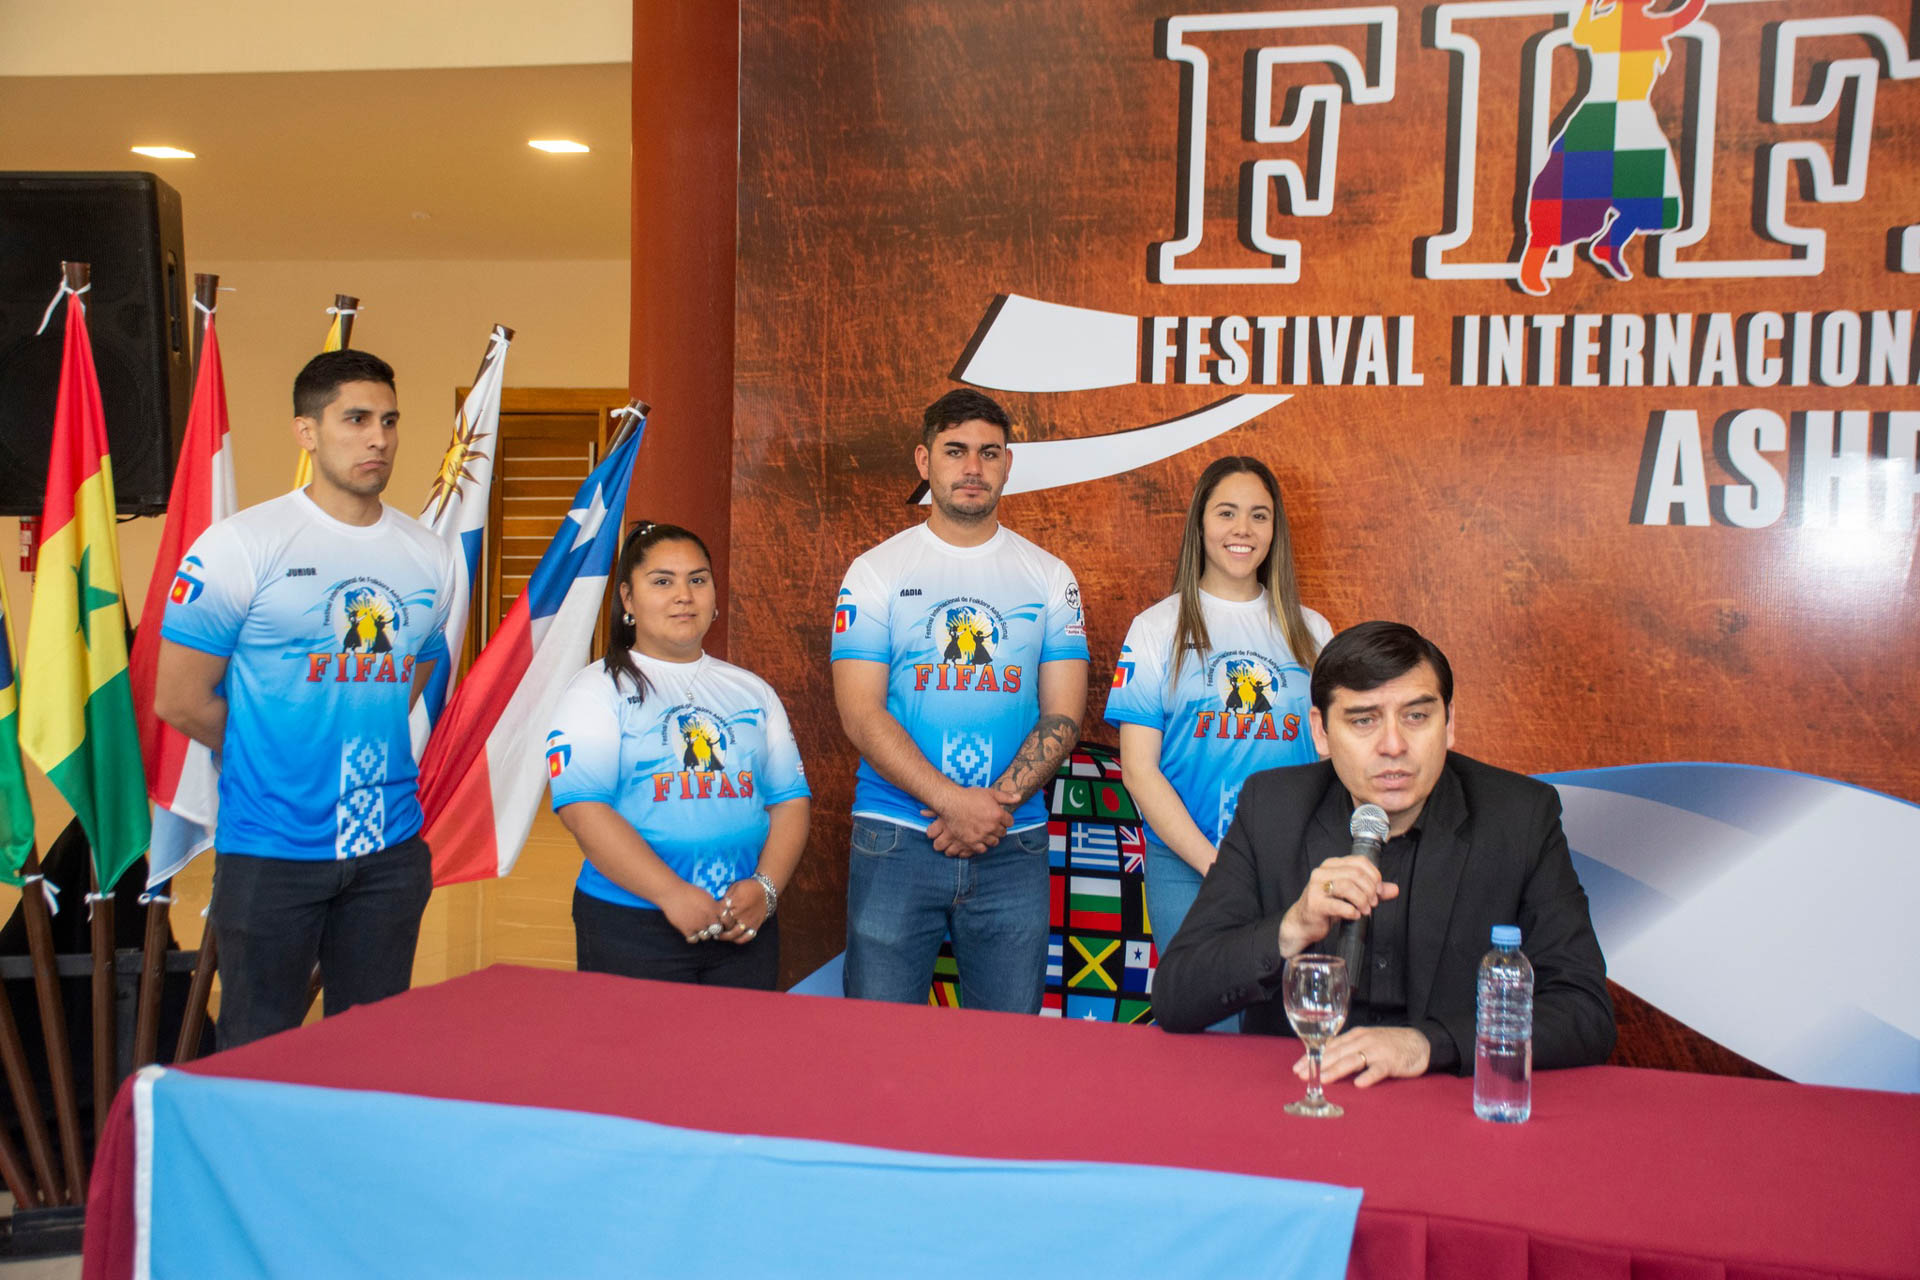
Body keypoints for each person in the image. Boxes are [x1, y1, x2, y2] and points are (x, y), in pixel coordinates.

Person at [1153, 621, 1614, 1085]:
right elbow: (1175, 996)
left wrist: (1429, 1044)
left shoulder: (1519, 817)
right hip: (1304, 1093)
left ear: (1449, 723)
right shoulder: (1271, 810)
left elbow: (1584, 1010)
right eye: (1363, 720)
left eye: (1416, 717)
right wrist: (1291, 928)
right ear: (1321, 732)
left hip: (1445, 1102)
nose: (1393, 746)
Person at [156, 349, 459, 1049]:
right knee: (258, 1045)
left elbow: (405, 683)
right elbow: (180, 699)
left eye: (389, 421)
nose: (377, 438)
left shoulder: (429, 555)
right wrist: (279, 752)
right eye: (356, 419)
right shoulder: (241, 545)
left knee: (370, 1047)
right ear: (307, 432)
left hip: (388, 850)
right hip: (271, 848)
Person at [831, 388, 1089, 1012]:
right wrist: (954, 803)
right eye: (955, 451)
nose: (972, 467)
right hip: (896, 836)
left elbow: (1063, 715)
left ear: (1007, 464)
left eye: (988, 453)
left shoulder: (1050, 576)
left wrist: (991, 808)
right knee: (877, 1046)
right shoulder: (874, 572)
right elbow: (860, 714)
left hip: (1012, 840)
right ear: (924, 461)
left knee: (1006, 1052)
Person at [547, 522, 808, 988]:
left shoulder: (752, 691)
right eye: (662, 581)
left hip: (742, 924)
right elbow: (583, 811)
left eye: (698, 579)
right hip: (632, 924)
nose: (684, 596)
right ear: (628, 599)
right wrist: (671, 894)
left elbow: (789, 801)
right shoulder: (595, 690)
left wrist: (765, 890)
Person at [1105, 457, 1331, 957]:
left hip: (1291, 869)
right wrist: (1219, 868)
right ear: (1200, 524)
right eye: (1226, 512)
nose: (1242, 529)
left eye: (1259, 515)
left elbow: (1330, 761)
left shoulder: (1314, 631)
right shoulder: (1155, 628)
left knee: (1286, 1005)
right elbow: (1139, 771)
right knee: (1198, 1006)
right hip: (1186, 867)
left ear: (1274, 529)